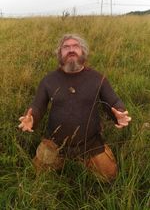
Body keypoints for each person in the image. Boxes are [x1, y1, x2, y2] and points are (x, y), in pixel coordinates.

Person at [18, 34, 131, 181]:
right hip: (54, 144)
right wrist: (31, 118)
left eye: (75, 46)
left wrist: (119, 113)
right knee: (37, 177)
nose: (71, 49)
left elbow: (114, 101)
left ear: (83, 52)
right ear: (60, 54)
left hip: (90, 144)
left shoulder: (97, 78)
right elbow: (38, 105)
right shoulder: (49, 80)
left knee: (109, 176)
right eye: (66, 47)